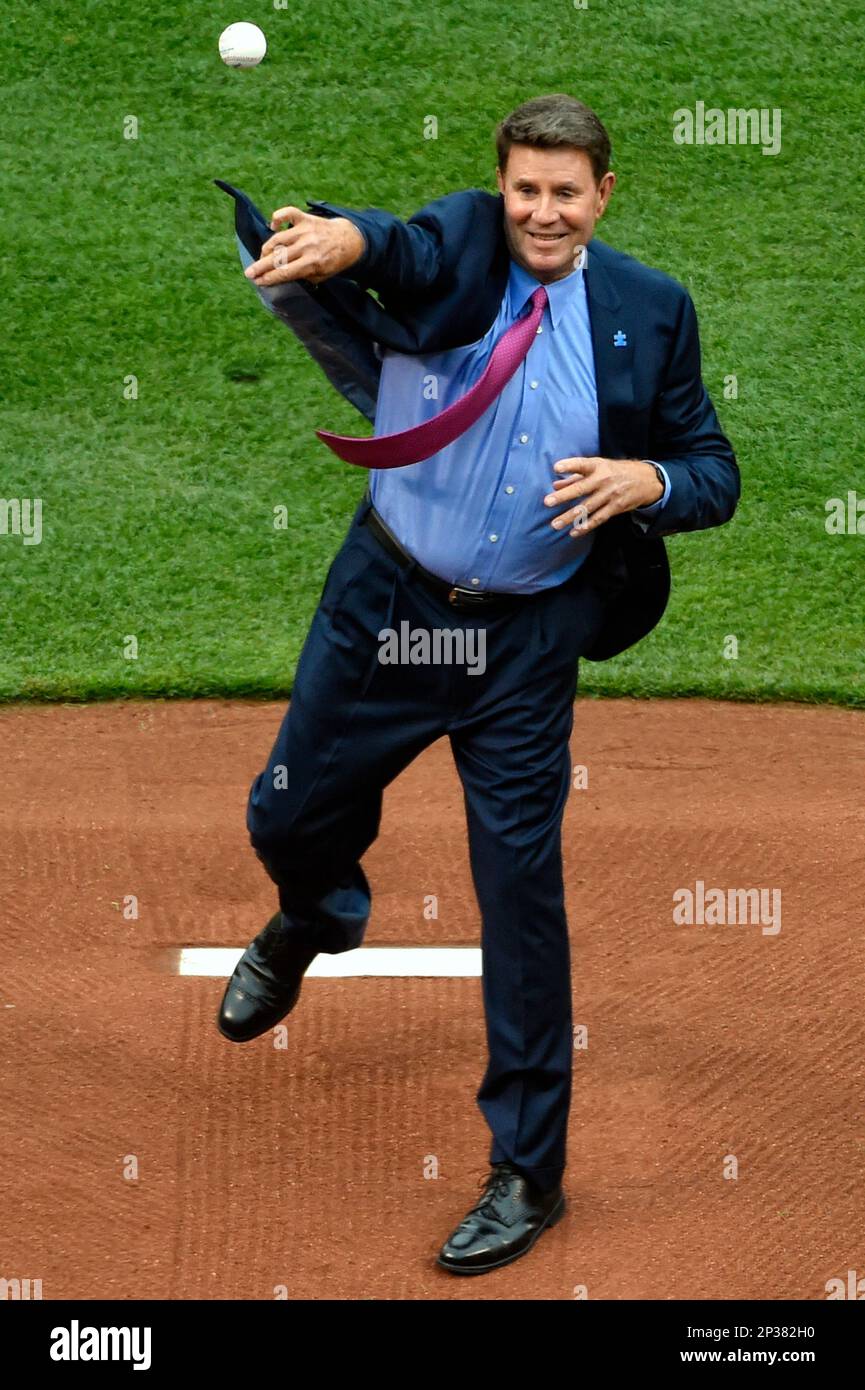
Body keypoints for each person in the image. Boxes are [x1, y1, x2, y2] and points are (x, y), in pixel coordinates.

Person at [215, 93, 740, 1276]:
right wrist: (339, 240)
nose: (542, 212)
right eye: (524, 189)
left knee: (520, 893)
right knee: (288, 812)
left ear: (605, 194)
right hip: (390, 610)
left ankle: (528, 1172)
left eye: (566, 191)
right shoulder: (461, 241)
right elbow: (393, 246)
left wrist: (648, 478)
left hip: (524, 642)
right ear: (498, 189)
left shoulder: (650, 312)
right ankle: (315, 913)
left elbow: (714, 469)